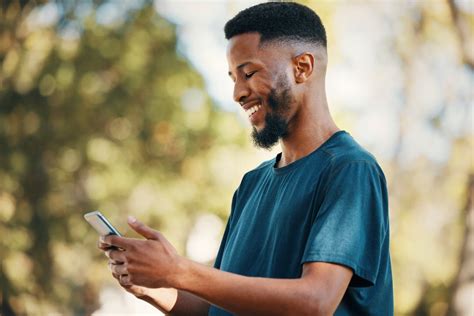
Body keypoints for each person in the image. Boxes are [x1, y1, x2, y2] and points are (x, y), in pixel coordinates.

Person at [99, 2, 394, 315]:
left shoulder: (350, 170)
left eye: (249, 73)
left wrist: (179, 271)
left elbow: (315, 301)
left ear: (303, 67)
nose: (237, 93)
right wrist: (152, 287)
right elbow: (216, 307)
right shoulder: (251, 185)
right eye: (232, 78)